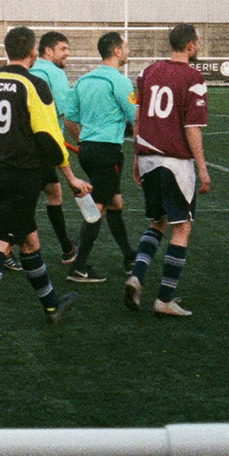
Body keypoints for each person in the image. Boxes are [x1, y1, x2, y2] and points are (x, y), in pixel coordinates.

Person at [0, 27, 86, 341]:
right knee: (2, 241)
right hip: (22, 176)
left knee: (29, 241)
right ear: (32, 54)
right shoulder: (34, 84)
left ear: (6, 51)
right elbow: (50, 140)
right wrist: (70, 178)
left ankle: (52, 305)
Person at [126, 23, 211, 317]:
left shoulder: (148, 72)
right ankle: (164, 298)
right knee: (182, 227)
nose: (198, 46)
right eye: (196, 42)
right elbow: (192, 129)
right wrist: (202, 169)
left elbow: (137, 117)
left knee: (157, 222)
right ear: (190, 45)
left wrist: (136, 157)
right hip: (175, 163)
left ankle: (136, 275)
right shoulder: (194, 77)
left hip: (148, 158)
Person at [61, 31, 139, 282]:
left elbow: (69, 116)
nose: (127, 51)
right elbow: (136, 118)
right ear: (116, 51)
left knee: (115, 202)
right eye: (125, 47)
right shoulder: (119, 81)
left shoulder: (84, 80)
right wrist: (141, 151)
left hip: (88, 151)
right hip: (108, 152)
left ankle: (129, 256)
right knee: (98, 206)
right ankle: (79, 266)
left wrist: (82, 141)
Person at [28, 31, 80, 268]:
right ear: (48, 51)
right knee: (48, 196)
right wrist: (82, 143)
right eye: (63, 49)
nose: (67, 54)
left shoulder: (29, 70)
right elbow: (66, 115)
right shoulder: (54, 73)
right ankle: (66, 249)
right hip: (45, 145)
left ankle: (67, 247)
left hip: (23, 144)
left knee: (50, 193)